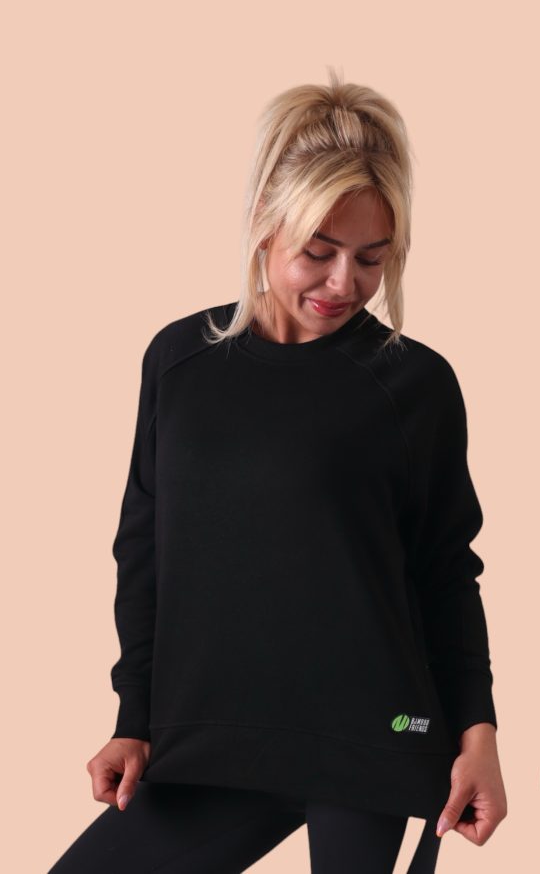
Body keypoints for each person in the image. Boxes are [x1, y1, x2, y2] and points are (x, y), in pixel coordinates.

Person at [47, 68, 507, 873]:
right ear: (265, 220)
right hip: (211, 740)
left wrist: (479, 736)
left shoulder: (416, 385)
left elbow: (444, 573)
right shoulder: (179, 362)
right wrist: (133, 719)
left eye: (371, 258)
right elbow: (143, 551)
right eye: (318, 252)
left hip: (374, 741)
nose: (344, 283)